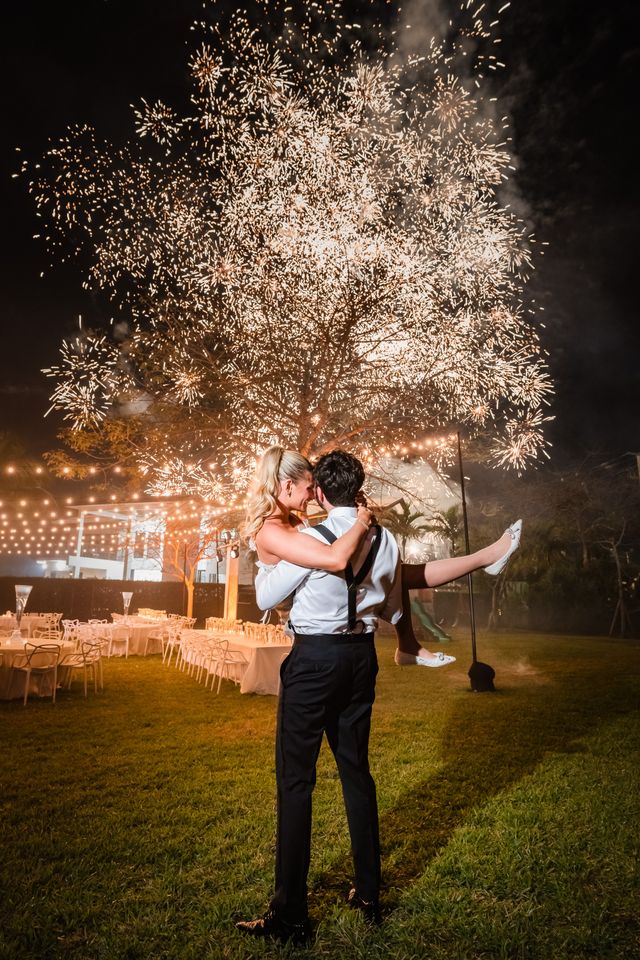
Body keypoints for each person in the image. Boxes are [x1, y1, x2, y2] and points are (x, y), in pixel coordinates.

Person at [236, 449, 521, 944]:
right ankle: (369, 894)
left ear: (321, 492)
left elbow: (266, 597)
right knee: (356, 774)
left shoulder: (306, 538)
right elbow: (399, 592)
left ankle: (290, 918)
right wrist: (407, 640)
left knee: (296, 784)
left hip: (314, 661)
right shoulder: (383, 537)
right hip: (360, 659)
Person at [243, 444, 521, 666]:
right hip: (295, 617)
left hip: (323, 611)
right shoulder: (272, 530)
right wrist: (362, 521)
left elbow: (330, 522)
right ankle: (484, 560)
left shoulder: (294, 520)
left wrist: (350, 510)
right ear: (288, 485)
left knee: (399, 571)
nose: (312, 496)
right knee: (400, 571)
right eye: (308, 487)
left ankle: (484, 559)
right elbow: (331, 558)